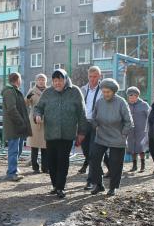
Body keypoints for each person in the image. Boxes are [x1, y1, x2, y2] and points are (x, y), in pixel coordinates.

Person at [34, 69, 88, 198]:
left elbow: (82, 113)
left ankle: (60, 187)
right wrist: (37, 115)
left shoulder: (75, 92)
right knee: (51, 162)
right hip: (51, 133)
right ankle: (54, 185)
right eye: (54, 81)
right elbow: (38, 107)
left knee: (62, 161)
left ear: (65, 79)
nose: (57, 83)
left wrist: (81, 132)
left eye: (60, 80)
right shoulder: (48, 92)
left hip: (67, 134)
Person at [89, 78, 133, 196]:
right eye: (103, 92)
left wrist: (123, 134)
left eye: (108, 92)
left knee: (115, 163)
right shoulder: (99, 102)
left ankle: (113, 187)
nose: (105, 94)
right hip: (102, 136)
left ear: (113, 91)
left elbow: (129, 121)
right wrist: (96, 126)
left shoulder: (121, 102)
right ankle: (98, 185)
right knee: (94, 158)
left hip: (117, 137)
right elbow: (93, 118)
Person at [80, 66, 110, 190]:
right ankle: (98, 174)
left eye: (95, 76)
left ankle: (91, 180)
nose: (92, 79)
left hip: (97, 124)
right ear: (88, 76)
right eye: (90, 76)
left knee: (94, 153)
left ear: (100, 76)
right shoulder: (82, 89)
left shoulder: (104, 90)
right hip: (83, 123)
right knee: (87, 152)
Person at [2, 72, 32, 181]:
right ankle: (11, 173)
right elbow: (11, 109)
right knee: (14, 150)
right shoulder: (9, 92)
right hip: (13, 126)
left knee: (18, 149)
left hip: (17, 126)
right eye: (20, 79)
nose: (21, 81)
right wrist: (21, 121)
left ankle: (13, 169)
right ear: (17, 80)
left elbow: (18, 106)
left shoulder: (14, 91)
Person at [26, 74, 48, 173]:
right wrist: (27, 97)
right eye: (39, 80)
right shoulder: (32, 91)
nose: (41, 81)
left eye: (43, 80)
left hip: (46, 120)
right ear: (36, 81)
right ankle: (35, 167)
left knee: (45, 145)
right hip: (34, 120)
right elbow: (25, 103)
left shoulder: (49, 91)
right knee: (34, 145)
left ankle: (45, 167)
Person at [126, 86, 150, 173]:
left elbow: (149, 116)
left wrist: (148, 128)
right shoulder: (126, 105)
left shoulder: (144, 105)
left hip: (141, 130)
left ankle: (143, 166)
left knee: (141, 148)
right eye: (130, 96)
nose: (131, 98)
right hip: (131, 130)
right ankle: (134, 166)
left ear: (137, 96)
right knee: (132, 147)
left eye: (133, 96)